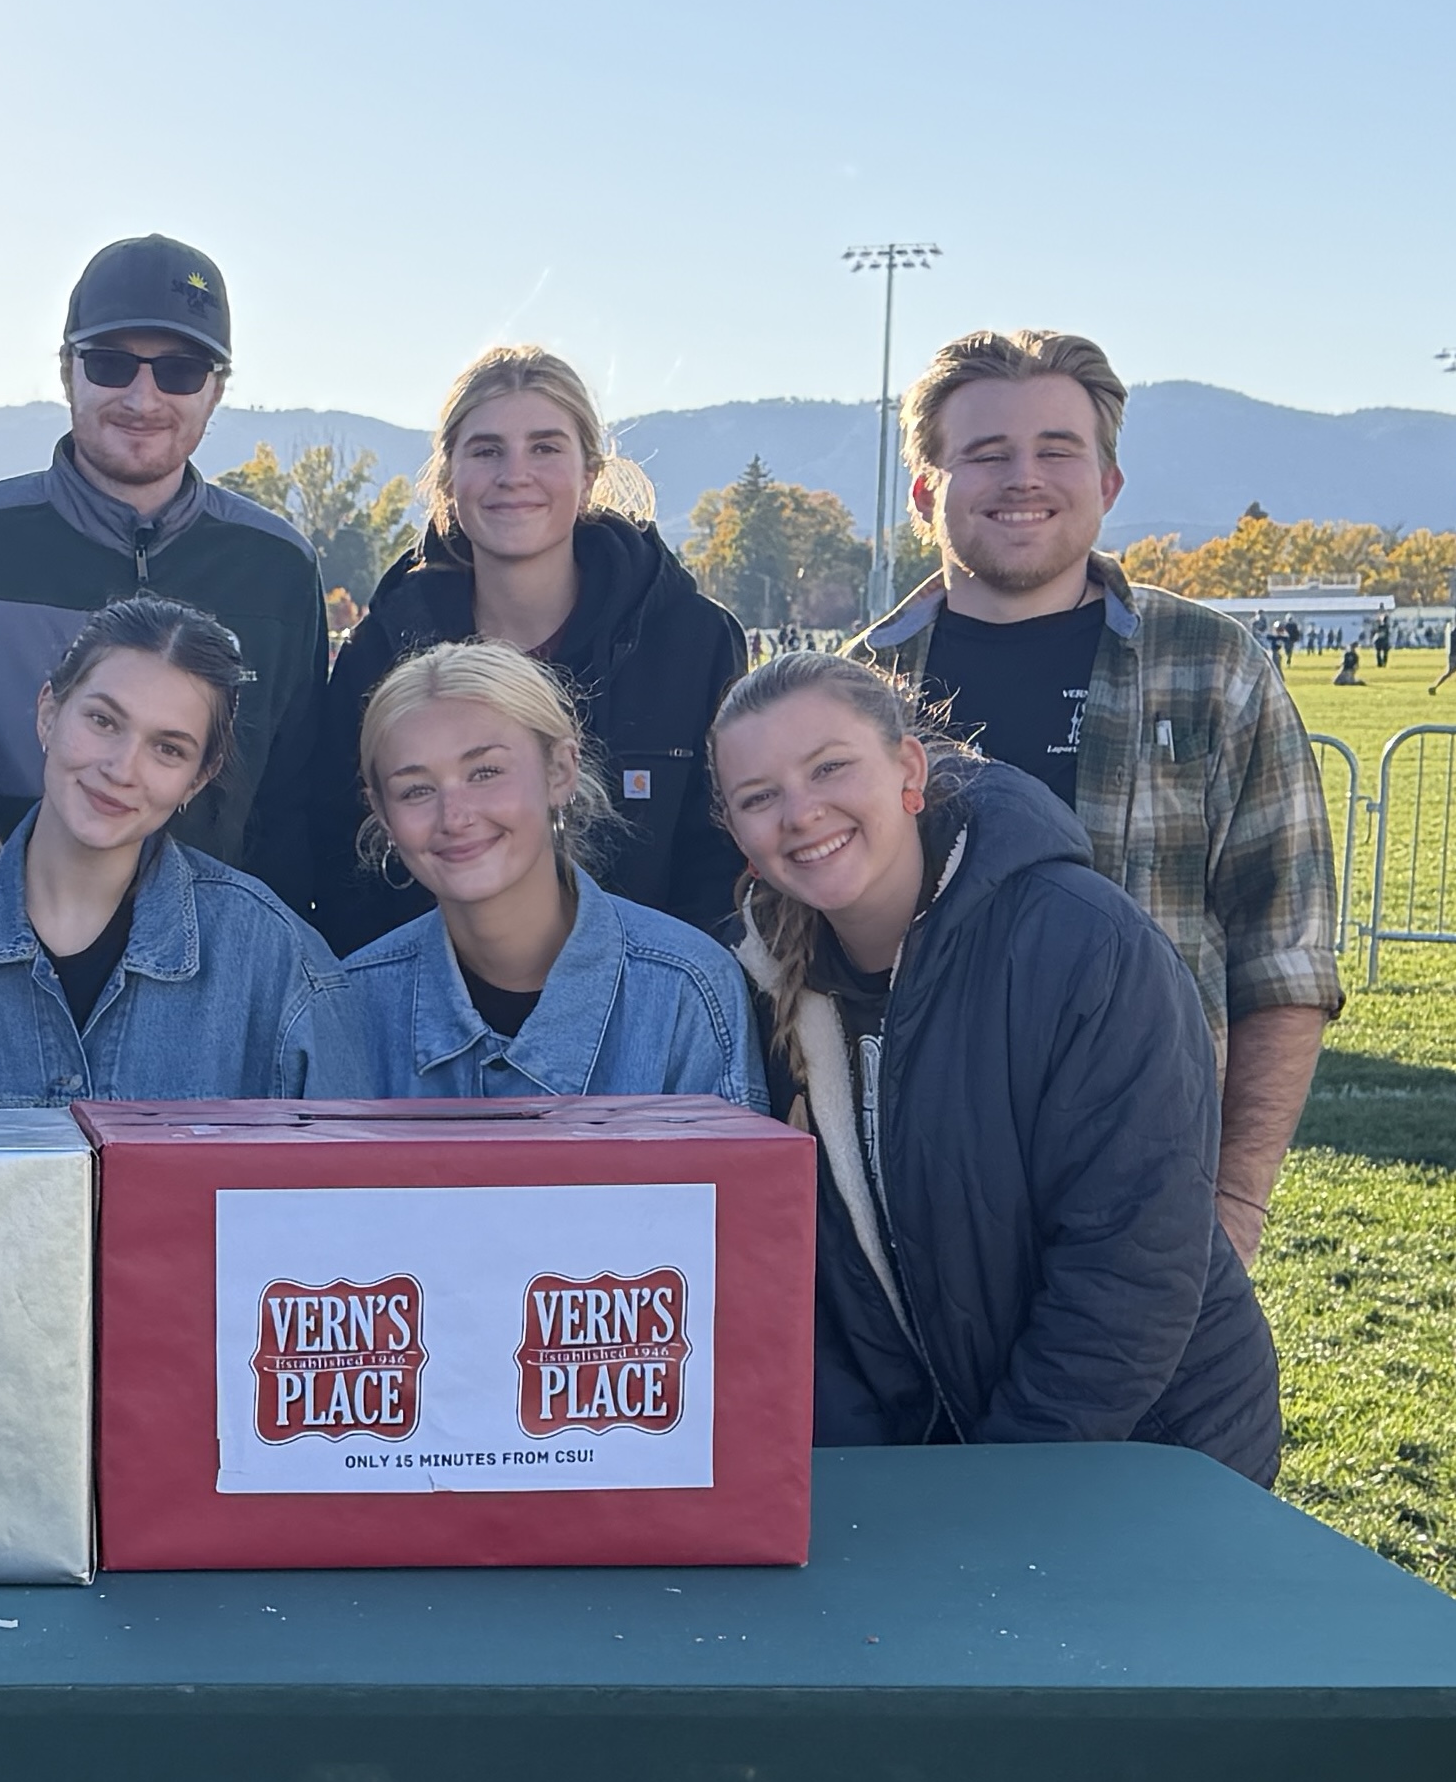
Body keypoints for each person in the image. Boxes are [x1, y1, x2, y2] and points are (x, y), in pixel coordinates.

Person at [708, 650, 1278, 1480]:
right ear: (739, 839)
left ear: (907, 769)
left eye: (828, 766)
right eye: (759, 797)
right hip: (944, 1473)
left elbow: (1129, 1264)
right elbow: (821, 1293)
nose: (799, 811)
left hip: (1149, 1451)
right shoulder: (755, 988)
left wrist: (996, 1487)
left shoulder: (1081, 946)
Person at [862, 328, 1335, 1268]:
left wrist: (1236, 1201)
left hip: (1149, 1188)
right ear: (925, 493)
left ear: (1109, 483)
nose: (1021, 478)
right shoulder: (858, 695)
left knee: (1138, 1422)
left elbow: (1283, 961)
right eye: (985, 453)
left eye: (1055, 449)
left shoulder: (1213, 669)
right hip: (916, 1202)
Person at [0, 233, 325, 890]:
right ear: (67, 368)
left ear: (215, 390)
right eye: (111, 364)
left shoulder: (278, 566)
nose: (143, 398)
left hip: (209, 970)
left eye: (179, 369)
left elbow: (292, 810)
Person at [293, 345, 746, 957]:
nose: (515, 475)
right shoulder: (385, 652)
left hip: (648, 1021)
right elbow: (341, 859)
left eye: (545, 447)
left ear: (589, 473)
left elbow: (719, 864)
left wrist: (668, 1005)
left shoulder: (691, 641)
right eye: (486, 451)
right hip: (429, 1024)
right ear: (448, 477)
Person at [0, 594, 333, 1106]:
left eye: (168, 749)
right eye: (104, 721)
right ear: (49, 713)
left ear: (198, 780)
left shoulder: (273, 956)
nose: (121, 769)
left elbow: (334, 1178)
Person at [299, 643, 758, 1102]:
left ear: (559, 772)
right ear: (382, 814)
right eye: (416, 790)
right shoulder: (348, 1005)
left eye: (485, 772)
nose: (454, 817)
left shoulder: (688, 992)